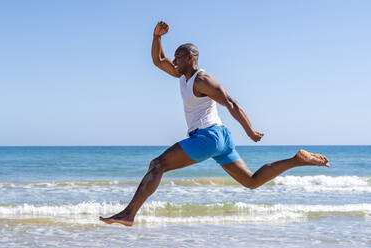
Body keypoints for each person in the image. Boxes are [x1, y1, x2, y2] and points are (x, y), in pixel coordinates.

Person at [99, 21, 330, 226]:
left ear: (191, 58)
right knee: (251, 181)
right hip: (220, 137)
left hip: (208, 137)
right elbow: (158, 60)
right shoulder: (183, 75)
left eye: (178, 57)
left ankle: (129, 214)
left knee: (157, 164)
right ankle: (296, 160)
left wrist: (250, 131)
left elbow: (231, 102)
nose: (174, 60)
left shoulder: (202, 79)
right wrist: (156, 37)